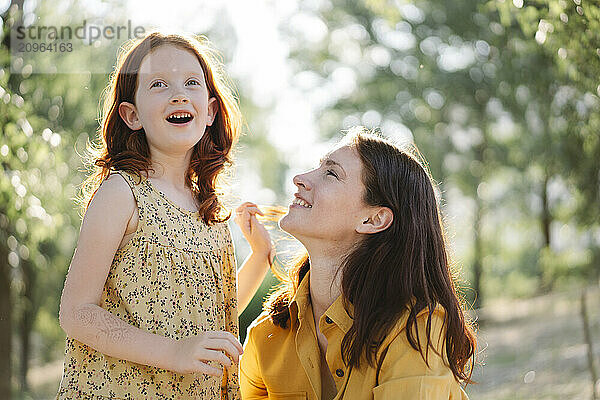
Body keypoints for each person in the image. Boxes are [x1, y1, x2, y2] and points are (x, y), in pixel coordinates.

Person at [57, 32, 272, 399]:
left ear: (209, 111)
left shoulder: (211, 211)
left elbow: (214, 311)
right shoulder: (122, 193)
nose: (179, 93)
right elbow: (76, 313)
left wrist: (260, 257)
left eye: (191, 83)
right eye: (159, 84)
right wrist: (175, 353)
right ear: (133, 115)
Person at [240, 128, 477, 399]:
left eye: (331, 173)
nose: (299, 178)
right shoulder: (267, 334)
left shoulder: (416, 327)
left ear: (373, 220)